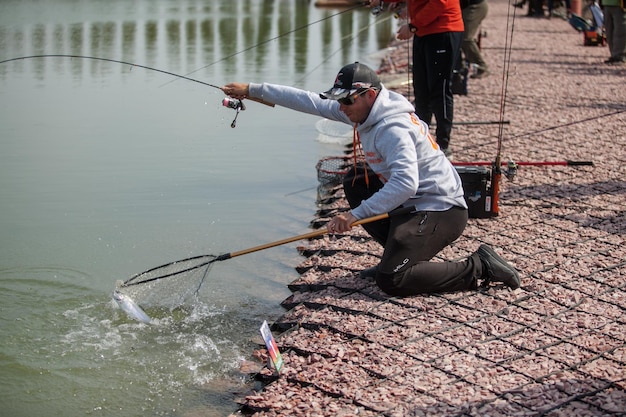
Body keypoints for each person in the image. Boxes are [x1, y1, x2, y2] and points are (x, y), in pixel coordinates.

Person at [223, 62, 520, 296]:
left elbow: (405, 184)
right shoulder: (361, 111)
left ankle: (479, 266)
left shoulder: (392, 128)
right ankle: (395, 255)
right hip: (414, 205)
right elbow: (309, 101)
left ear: (370, 95)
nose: (341, 106)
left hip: (442, 210)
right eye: (339, 100)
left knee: (393, 281)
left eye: (347, 100)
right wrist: (252, 89)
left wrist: (353, 216)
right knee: (357, 180)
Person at [371, 0, 464, 158]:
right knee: (421, 90)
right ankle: (422, 140)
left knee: (439, 90)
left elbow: (440, 2)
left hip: (443, 31)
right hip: (423, 32)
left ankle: (443, 145)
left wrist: (413, 26)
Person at [461, 0, 490, 78]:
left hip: (474, 7)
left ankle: (482, 67)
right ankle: (460, 65)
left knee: (465, 39)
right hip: (467, 7)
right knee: (459, 36)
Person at [602, 0, 626, 64]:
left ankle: (620, 56)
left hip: (620, 4)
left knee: (620, 31)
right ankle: (614, 55)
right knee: (609, 32)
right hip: (606, 4)